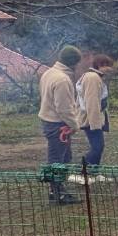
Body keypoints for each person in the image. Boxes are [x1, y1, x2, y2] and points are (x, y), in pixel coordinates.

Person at [38, 45, 82, 204]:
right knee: (58, 159)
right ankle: (57, 193)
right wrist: (75, 125)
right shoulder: (62, 79)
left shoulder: (49, 73)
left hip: (49, 120)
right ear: (74, 63)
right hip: (58, 124)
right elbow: (63, 108)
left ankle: (57, 189)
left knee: (62, 156)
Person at [76, 54, 115, 179]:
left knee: (98, 146)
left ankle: (93, 172)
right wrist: (95, 124)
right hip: (91, 120)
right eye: (108, 66)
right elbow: (92, 102)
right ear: (100, 65)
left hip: (94, 118)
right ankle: (82, 172)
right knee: (97, 146)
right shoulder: (93, 77)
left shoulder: (94, 76)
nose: (110, 69)